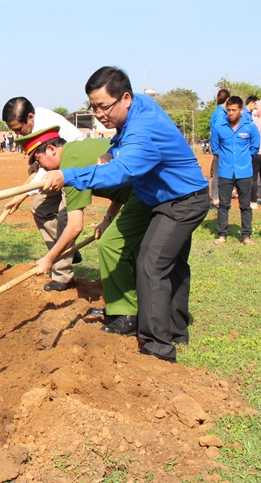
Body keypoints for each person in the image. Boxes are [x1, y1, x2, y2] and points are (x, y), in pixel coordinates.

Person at [40, 67, 209, 363]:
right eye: (93, 107)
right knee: (169, 263)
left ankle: (158, 346)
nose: (99, 114)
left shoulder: (144, 128)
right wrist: (113, 148)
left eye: (104, 106)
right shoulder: (139, 106)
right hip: (157, 196)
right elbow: (122, 145)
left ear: (126, 98)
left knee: (152, 263)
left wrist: (68, 176)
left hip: (182, 200)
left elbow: (123, 171)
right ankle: (174, 328)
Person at [16, 128, 151, 336]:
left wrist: (49, 259)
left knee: (111, 246)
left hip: (147, 192)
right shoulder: (78, 150)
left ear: (52, 149)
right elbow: (120, 185)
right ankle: (122, 308)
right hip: (139, 190)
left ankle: (128, 316)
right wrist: (108, 218)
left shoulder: (70, 165)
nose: (40, 167)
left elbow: (75, 226)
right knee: (125, 248)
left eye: (39, 160)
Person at [2, 97, 86, 292]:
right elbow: (43, 163)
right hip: (55, 168)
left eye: (18, 129)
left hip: (75, 167)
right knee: (40, 208)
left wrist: (21, 195)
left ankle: (62, 276)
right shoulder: (34, 122)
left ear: (30, 117)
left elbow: (45, 170)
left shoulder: (46, 125)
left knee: (67, 218)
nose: (17, 134)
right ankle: (67, 250)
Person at [211, 96, 260, 245]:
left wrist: (242, 159)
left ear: (241, 110)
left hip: (244, 172)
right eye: (228, 110)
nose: (231, 113)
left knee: (245, 205)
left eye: (234, 110)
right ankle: (222, 234)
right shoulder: (219, 127)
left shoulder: (250, 127)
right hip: (225, 172)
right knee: (223, 205)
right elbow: (215, 148)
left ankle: (246, 235)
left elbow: (254, 148)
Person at [208, 89, 230, 209]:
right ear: (227, 99)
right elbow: (219, 132)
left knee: (218, 173)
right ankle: (215, 199)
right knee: (217, 174)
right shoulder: (221, 114)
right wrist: (219, 149)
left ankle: (216, 198)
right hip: (221, 148)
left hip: (218, 147)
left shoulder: (217, 112)